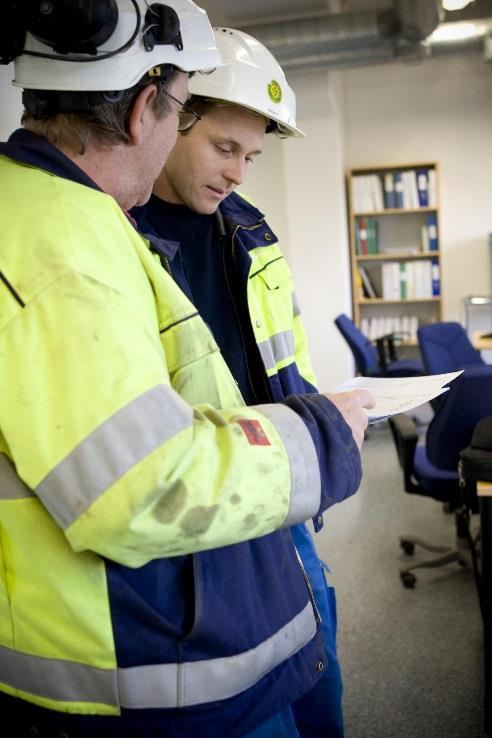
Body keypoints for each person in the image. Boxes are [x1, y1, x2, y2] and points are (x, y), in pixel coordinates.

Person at [0, 4, 372, 738]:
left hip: (244, 517)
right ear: (149, 111)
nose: (236, 172)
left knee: (313, 663)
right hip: (151, 628)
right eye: (212, 140)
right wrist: (324, 441)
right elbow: (143, 481)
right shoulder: (70, 243)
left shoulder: (102, 220)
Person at [132, 27, 371, 737]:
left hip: (281, 509)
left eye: (252, 155)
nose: (239, 172)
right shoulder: (116, 239)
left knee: (319, 686)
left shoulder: (250, 231)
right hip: (198, 525)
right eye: (224, 149)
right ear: (172, 118)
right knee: (252, 709)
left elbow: (280, 359)